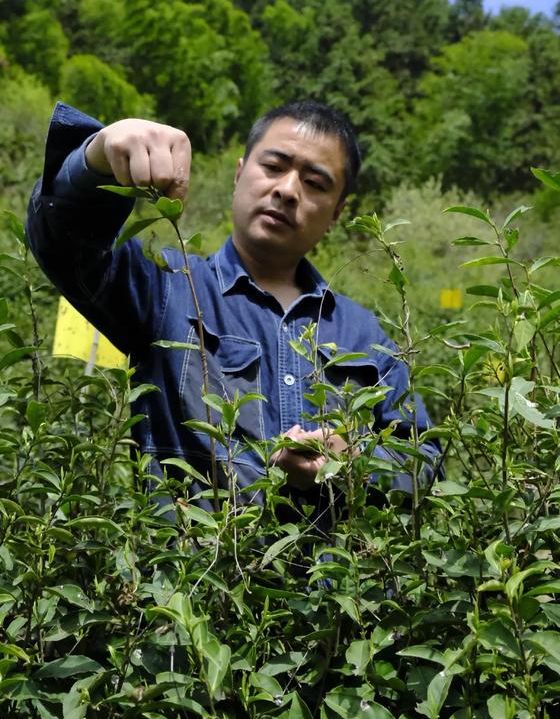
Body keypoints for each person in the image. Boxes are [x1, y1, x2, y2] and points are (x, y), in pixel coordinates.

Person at [27, 100, 438, 507]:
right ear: (240, 174)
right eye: (274, 167)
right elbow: (65, 241)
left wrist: (352, 462)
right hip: (201, 570)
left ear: (336, 213)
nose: (288, 190)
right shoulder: (166, 287)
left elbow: (423, 457)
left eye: (315, 183)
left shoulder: (363, 334)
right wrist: (97, 155)